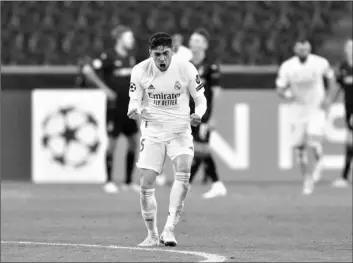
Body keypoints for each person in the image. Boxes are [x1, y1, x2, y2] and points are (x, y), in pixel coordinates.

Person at [127, 32, 207, 246]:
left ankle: (169, 229)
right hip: (152, 132)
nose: (162, 59)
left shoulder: (186, 68)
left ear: (172, 51)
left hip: (180, 130)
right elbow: (133, 101)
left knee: (183, 174)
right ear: (150, 53)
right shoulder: (140, 71)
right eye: (157, 54)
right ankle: (152, 235)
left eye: (166, 54)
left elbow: (200, 100)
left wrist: (198, 114)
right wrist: (134, 110)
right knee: (146, 184)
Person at [81, 25, 140, 193]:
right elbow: (87, 69)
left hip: (129, 108)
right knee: (112, 143)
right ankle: (109, 181)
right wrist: (105, 89)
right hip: (114, 108)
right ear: (120, 39)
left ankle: (128, 182)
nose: (132, 41)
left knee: (134, 142)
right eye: (129, 37)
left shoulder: (131, 58)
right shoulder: (108, 56)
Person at [276, 38, 337, 195]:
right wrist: (287, 95)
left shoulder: (320, 63)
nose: (303, 51)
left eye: (306, 48)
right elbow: (280, 88)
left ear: (309, 48)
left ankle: (318, 161)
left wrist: (329, 98)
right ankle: (307, 180)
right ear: (295, 49)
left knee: (313, 141)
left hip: (315, 108)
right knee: (300, 150)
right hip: (297, 110)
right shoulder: (288, 66)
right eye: (300, 49)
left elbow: (331, 80)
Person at [188, 28, 227, 199]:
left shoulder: (211, 65)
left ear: (205, 45)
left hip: (205, 114)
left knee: (201, 148)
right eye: (192, 40)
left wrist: (213, 116)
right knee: (198, 149)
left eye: (198, 41)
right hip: (190, 114)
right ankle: (214, 184)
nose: (193, 43)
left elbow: (217, 92)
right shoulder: (187, 65)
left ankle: (216, 184)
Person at [332, 39, 353, 188]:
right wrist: (329, 101)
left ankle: (344, 176)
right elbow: (338, 87)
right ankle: (344, 177)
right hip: (348, 108)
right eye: (349, 47)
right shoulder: (343, 67)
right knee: (350, 141)